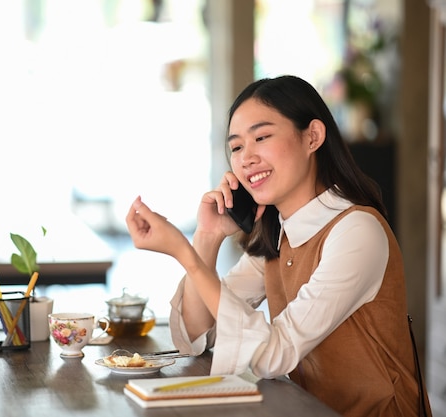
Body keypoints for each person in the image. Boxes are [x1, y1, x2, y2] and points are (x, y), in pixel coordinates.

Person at [125, 75, 431, 417]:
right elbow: (195, 335)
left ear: (312, 136)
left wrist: (183, 253)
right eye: (237, 146)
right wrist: (206, 239)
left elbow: (273, 354)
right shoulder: (278, 235)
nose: (246, 158)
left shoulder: (357, 232)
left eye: (261, 137)